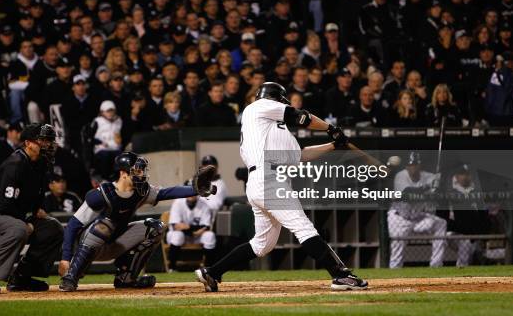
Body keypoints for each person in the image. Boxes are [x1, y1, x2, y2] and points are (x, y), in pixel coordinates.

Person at [195, 82, 367, 292]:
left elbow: (301, 155)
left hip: (263, 181)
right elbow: (301, 117)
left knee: (262, 244)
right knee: (303, 228)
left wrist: (333, 145)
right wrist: (331, 128)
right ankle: (341, 275)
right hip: (268, 178)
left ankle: (212, 272)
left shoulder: (274, 130)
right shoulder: (258, 106)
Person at [58, 152, 217, 291]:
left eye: (141, 171)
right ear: (123, 173)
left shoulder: (142, 192)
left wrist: (195, 190)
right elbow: (73, 224)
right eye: (137, 171)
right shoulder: (103, 194)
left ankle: (127, 278)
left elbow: (165, 193)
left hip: (115, 242)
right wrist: (66, 258)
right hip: (88, 247)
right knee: (105, 225)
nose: (141, 175)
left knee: (156, 227)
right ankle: (71, 276)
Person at [0, 124, 63, 294]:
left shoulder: (41, 163)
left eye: (49, 141)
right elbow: (6, 205)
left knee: (53, 228)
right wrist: (28, 223)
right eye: (42, 140)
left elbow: (35, 198)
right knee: (18, 229)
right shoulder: (15, 164)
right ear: (28, 143)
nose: (47, 144)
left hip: (14, 212)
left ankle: (22, 278)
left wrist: (35, 213)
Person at [388, 152, 446, 269]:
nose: (413, 167)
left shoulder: (429, 177)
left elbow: (438, 191)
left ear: (420, 166)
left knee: (440, 223)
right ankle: (394, 273)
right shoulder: (400, 176)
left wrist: (437, 185)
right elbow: (408, 193)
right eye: (410, 165)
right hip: (399, 219)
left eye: (415, 165)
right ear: (406, 167)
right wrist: (428, 187)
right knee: (397, 252)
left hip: (419, 218)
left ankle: (436, 266)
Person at [167, 194, 216, 272]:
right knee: (178, 235)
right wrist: (194, 229)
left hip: (197, 236)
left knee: (210, 236)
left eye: (193, 192)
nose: (191, 194)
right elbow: (176, 226)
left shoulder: (204, 204)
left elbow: (206, 226)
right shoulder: (178, 202)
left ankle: (208, 269)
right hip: (179, 235)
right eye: (188, 191)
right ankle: (172, 268)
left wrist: (188, 227)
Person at [92, 100, 123, 178]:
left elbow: (119, 134)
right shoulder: (97, 121)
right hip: (101, 147)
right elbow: (90, 136)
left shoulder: (119, 121)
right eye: (107, 111)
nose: (110, 113)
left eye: (111, 111)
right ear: (102, 112)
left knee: (120, 157)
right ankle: (104, 177)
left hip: (115, 147)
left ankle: (117, 177)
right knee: (105, 156)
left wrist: (119, 141)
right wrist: (99, 142)